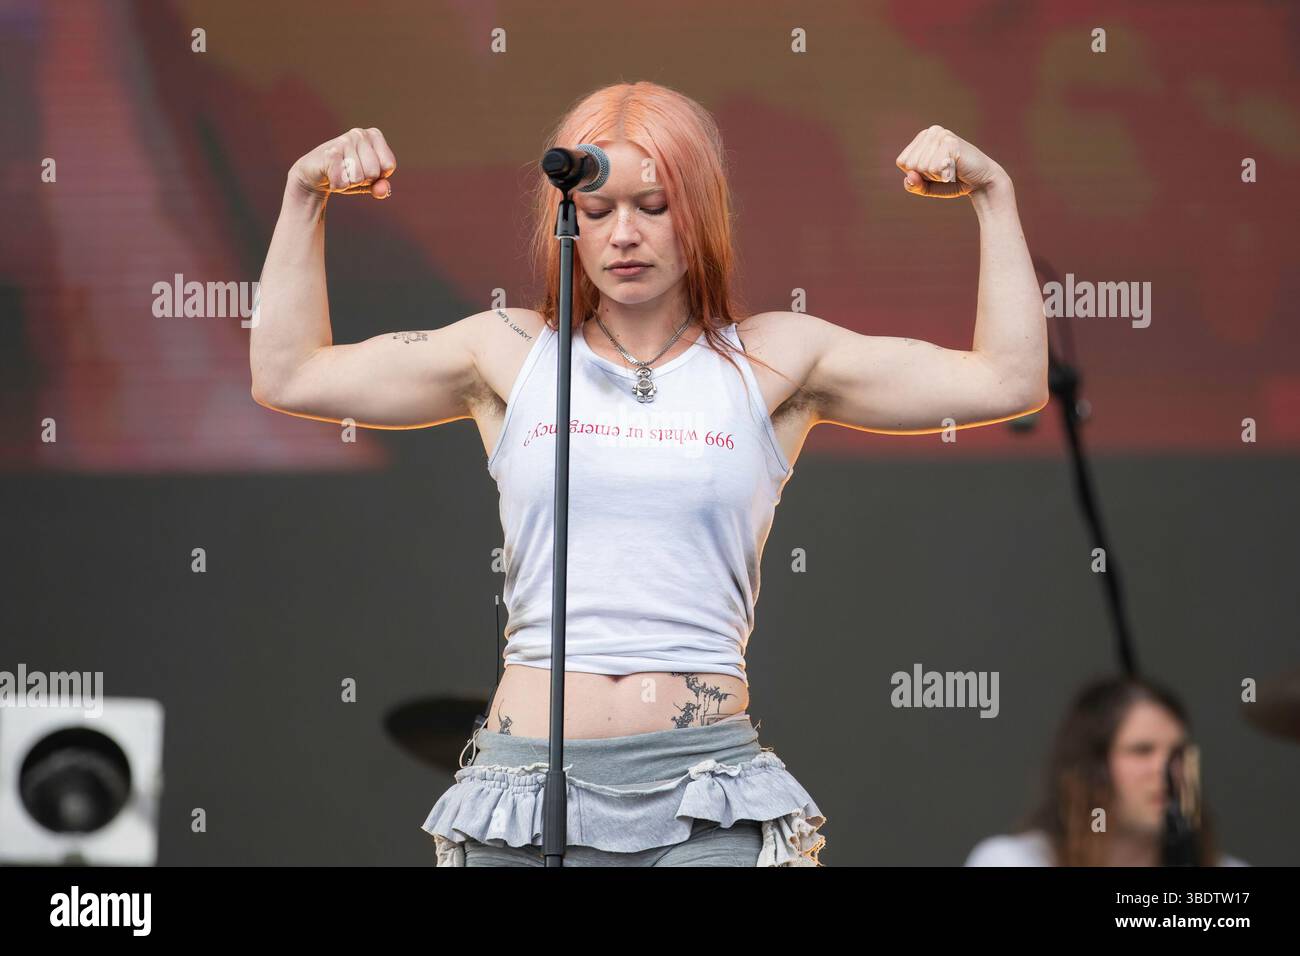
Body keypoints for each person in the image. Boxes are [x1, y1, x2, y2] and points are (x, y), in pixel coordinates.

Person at [249, 80, 1048, 866]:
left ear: (698, 212)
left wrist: (994, 196)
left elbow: (1005, 382)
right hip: (527, 788)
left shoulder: (772, 357)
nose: (623, 234)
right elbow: (289, 375)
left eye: (653, 206)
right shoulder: (508, 352)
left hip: (706, 792)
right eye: (597, 212)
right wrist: (303, 196)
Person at [965, 676, 1247, 866]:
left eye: (1178, 754)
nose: (1165, 771)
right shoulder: (1012, 861)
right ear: (1089, 767)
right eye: (1141, 750)